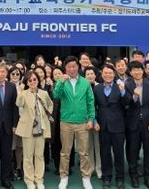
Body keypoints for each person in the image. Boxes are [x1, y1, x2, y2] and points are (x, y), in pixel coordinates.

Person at [53, 55, 96, 189]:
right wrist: (61, 82)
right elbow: (56, 95)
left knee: (84, 153)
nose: (72, 69)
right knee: (65, 152)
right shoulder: (62, 81)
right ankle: (63, 177)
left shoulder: (85, 82)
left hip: (82, 122)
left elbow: (90, 102)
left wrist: (91, 119)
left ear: (78, 67)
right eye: (69, 67)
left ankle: (86, 177)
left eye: (74, 66)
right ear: (65, 68)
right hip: (66, 122)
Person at [93, 64, 129, 189]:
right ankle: (106, 177)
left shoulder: (120, 87)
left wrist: (123, 92)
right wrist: (94, 121)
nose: (108, 75)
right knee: (105, 153)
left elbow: (127, 103)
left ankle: (120, 178)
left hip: (118, 126)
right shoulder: (96, 88)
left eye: (110, 73)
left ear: (114, 74)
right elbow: (93, 106)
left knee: (119, 153)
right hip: (102, 126)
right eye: (105, 73)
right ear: (102, 74)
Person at [16, 70, 54, 189]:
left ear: (38, 80)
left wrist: (47, 115)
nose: (32, 82)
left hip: (41, 128)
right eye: (30, 80)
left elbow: (50, 104)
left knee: (39, 156)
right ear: (27, 82)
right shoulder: (24, 93)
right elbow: (19, 103)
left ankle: (39, 180)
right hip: (27, 128)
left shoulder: (44, 93)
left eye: (34, 79)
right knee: (28, 156)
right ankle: (29, 180)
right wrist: (20, 91)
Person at [124, 61, 149, 189]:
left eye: (139, 69)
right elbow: (125, 103)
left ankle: (148, 177)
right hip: (132, 124)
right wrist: (134, 96)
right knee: (132, 150)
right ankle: (133, 175)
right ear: (130, 72)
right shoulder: (127, 85)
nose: (137, 72)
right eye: (134, 70)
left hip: (148, 125)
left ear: (143, 71)